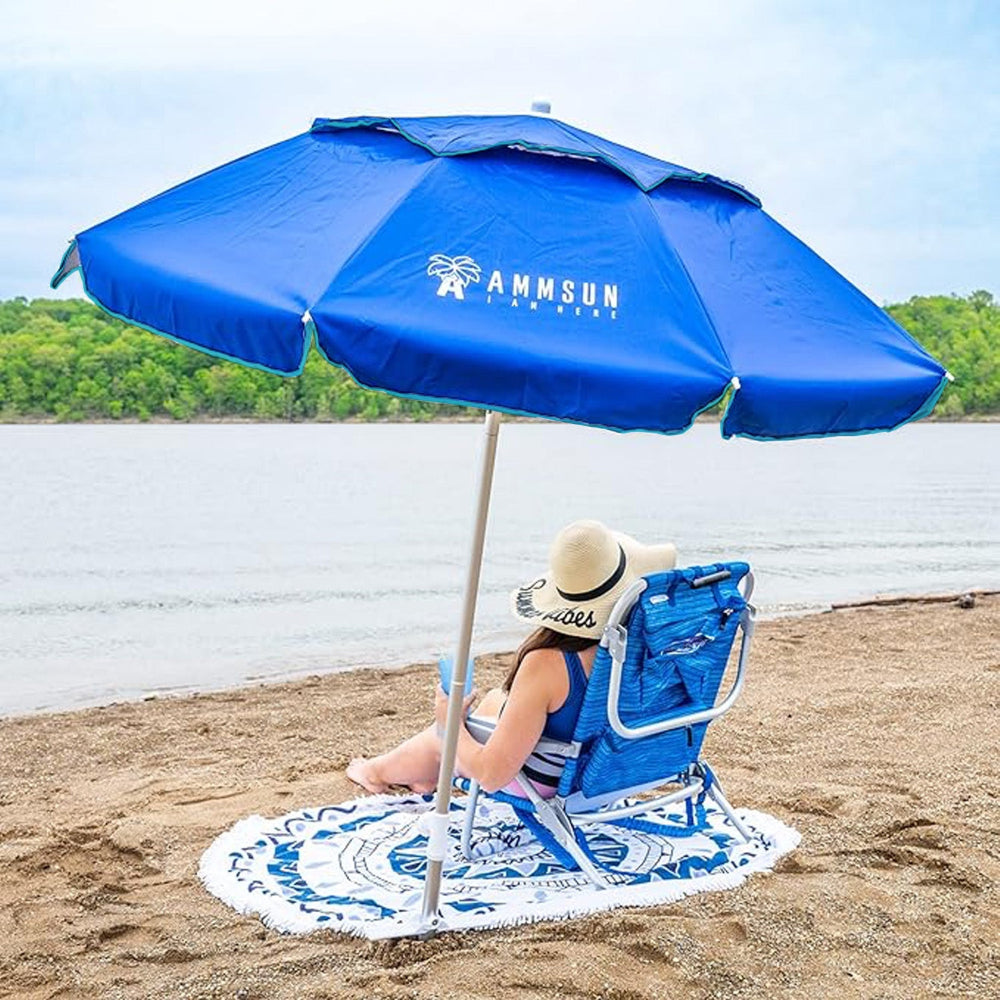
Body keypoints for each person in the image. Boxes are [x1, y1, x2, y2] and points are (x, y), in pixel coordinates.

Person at [346, 519, 676, 797]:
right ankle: (424, 774)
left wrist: (450, 726)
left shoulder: (549, 664)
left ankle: (376, 772)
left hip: (560, 782)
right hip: (621, 765)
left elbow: (491, 775)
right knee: (493, 702)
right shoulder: (652, 641)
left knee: (443, 734)